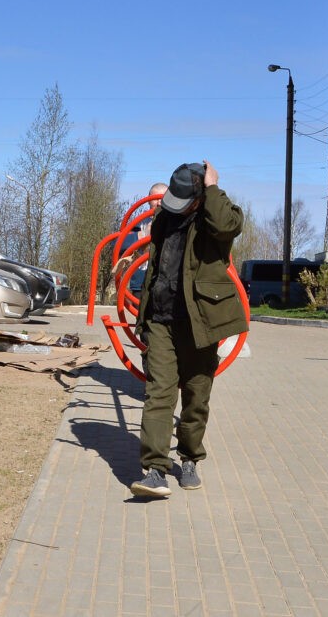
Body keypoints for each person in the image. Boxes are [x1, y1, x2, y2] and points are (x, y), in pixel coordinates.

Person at [129, 161, 247, 498]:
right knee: (159, 393)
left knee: (196, 398)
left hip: (201, 321)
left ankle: (190, 457)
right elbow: (156, 266)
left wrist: (212, 187)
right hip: (162, 319)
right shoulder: (166, 217)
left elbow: (228, 225)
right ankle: (154, 469)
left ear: (199, 196)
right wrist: (145, 317)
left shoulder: (217, 215)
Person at [112, 182, 168, 300]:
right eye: (155, 199)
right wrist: (142, 235)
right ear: (148, 200)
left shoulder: (177, 223)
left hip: (167, 282)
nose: (159, 202)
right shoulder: (138, 223)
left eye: (163, 198)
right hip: (141, 283)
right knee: (140, 315)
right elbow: (117, 244)